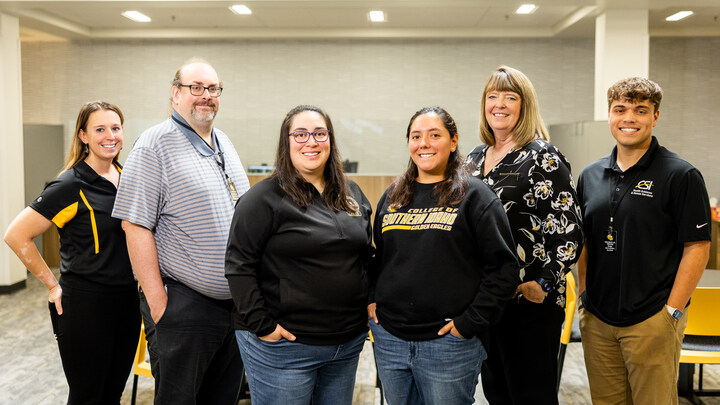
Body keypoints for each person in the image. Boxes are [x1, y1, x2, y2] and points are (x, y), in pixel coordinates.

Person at [112, 58, 250, 404]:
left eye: (213, 89)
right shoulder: (153, 145)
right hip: (183, 305)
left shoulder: (224, 141)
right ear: (176, 94)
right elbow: (134, 225)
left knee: (223, 398)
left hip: (233, 307)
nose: (206, 96)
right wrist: (160, 305)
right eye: (196, 88)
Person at [368, 106, 520, 405]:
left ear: (453, 141)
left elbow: (504, 269)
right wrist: (373, 300)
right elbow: (380, 258)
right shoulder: (393, 196)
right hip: (390, 339)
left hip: (449, 343)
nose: (423, 143)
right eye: (416, 136)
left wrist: (469, 324)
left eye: (434, 135)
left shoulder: (475, 196)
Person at [224, 105, 373, 405]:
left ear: (330, 140)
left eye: (320, 133)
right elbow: (238, 266)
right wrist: (263, 326)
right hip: (286, 348)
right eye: (301, 134)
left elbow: (366, 255)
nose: (311, 142)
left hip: (345, 344)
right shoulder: (262, 199)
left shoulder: (351, 193)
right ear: (286, 141)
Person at [576, 77, 711, 405]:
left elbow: (698, 246)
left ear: (655, 116)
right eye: (620, 109)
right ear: (608, 114)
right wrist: (583, 295)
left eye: (640, 110)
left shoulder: (680, 175)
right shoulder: (590, 176)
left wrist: (672, 312)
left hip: (653, 319)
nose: (629, 119)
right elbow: (583, 241)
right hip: (598, 320)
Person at [4, 101, 140, 404]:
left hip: (127, 301)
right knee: (87, 396)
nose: (110, 136)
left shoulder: (129, 178)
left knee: (112, 395)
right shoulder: (70, 184)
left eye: (116, 128)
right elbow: (16, 235)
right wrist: (53, 285)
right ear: (83, 136)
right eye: (100, 129)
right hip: (85, 304)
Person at [465, 65, 584, 404]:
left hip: (529, 302)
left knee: (531, 396)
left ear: (524, 105)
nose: (499, 104)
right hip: (486, 300)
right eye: (492, 96)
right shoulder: (474, 160)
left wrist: (542, 284)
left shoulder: (542, 156)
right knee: (497, 393)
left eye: (510, 97)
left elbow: (569, 230)